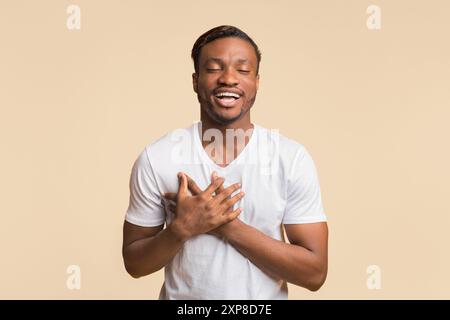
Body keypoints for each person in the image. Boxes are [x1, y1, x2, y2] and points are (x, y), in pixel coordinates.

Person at [122, 25, 328, 299]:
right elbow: (134, 264)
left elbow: (314, 274)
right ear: (195, 81)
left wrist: (225, 225)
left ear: (256, 82)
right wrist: (181, 229)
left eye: (242, 70)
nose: (228, 78)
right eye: (214, 68)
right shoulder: (158, 157)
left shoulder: (290, 158)